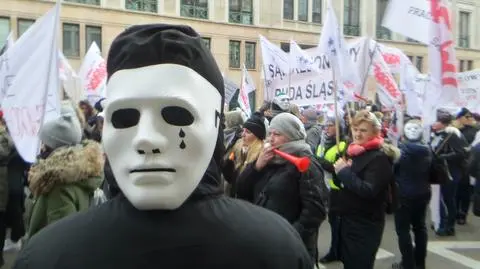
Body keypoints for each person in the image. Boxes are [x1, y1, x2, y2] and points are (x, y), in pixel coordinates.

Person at [14, 24, 313, 269]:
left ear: (216, 124)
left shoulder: (47, 256)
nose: (146, 139)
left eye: (176, 114)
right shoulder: (276, 248)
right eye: (124, 117)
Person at [236, 112, 328, 262]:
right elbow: (241, 189)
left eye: (277, 134)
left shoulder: (307, 163)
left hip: (289, 246)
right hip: (264, 238)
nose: (270, 139)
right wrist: (256, 167)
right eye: (270, 133)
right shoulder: (270, 159)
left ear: (291, 136)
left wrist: (288, 237)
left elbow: (315, 211)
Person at [26, 101, 104, 238]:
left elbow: (60, 240)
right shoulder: (81, 170)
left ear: (52, 145)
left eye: (44, 142)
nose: (42, 147)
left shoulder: (57, 184)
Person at [333, 110, 400, 269]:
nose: (358, 134)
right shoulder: (354, 151)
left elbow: (369, 190)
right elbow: (343, 182)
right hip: (349, 219)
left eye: (363, 130)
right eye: (355, 129)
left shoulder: (379, 158)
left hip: (366, 223)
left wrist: (345, 172)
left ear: (374, 133)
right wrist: (340, 171)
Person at [392, 119, 432, 269]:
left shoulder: (401, 152)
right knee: (420, 228)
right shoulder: (427, 150)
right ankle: (420, 263)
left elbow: (392, 172)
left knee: (403, 231)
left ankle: (408, 263)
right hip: (423, 193)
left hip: (404, 195)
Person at [429, 109, 469, 236]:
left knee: (448, 199)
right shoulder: (435, 133)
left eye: (437, 120)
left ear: (443, 122)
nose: (434, 123)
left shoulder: (452, 133)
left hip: (450, 172)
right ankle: (440, 221)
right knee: (437, 198)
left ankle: (449, 226)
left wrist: (444, 157)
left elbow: (462, 153)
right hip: (438, 171)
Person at [316, 116, 348, 264]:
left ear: (339, 127)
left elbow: (338, 168)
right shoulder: (322, 143)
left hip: (338, 191)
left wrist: (322, 162)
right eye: (326, 125)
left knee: (336, 223)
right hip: (323, 188)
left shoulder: (342, 145)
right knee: (331, 221)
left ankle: (336, 251)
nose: (326, 128)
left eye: (330, 125)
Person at [223, 113, 266, 197]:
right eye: (243, 131)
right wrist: (227, 166)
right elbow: (231, 179)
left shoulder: (261, 156)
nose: (243, 135)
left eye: (248, 132)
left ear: (257, 136)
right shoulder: (238, 148)